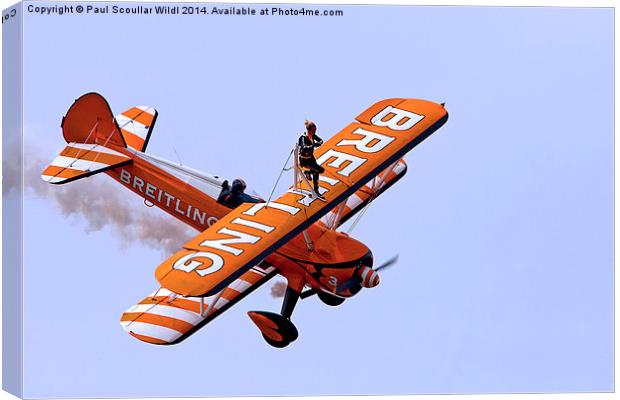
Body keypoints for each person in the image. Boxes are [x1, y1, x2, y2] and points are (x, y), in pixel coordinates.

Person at [298, 120, 325, 200]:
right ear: (309, 130)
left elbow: (321, 140)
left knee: (320, 170)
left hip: (311, 158)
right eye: (313, 130)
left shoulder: (313, 136)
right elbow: (303, 147)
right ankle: (316, 191)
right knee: (316, 172)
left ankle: (307, 172)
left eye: (315, 130)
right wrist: (313, 145)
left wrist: (318, 143)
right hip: (304, 159)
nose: (314, 132)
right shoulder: (302, 138)